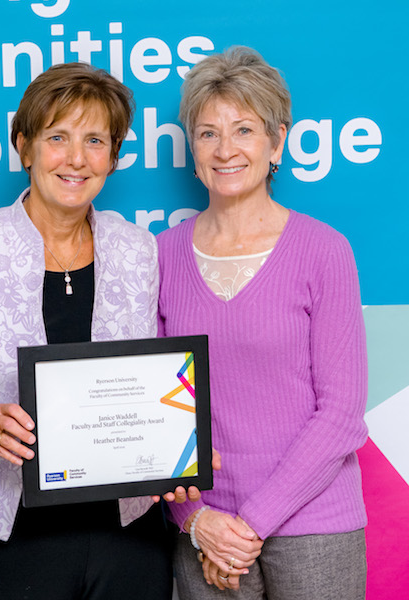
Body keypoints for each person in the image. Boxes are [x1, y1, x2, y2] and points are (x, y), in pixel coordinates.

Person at [0, 62, 197, 599]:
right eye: (57, 137)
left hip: (127, 530)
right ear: (24, 145)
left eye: (95, 140)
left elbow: (159, 381)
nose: (76, 159)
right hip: (6, 529)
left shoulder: (138, 249)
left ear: (113, 156)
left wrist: (177, 449)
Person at [158, 47, 368, 599]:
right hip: (204, 528)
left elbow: (342, 415)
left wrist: (247, 527)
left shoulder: (325, 251)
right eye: (207, 133)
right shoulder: (159, 258)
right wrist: (199, 523)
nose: (225, 150)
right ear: (192, 149)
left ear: (276, 142)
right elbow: (155, 415)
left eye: (244, 129)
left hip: (314, 523)